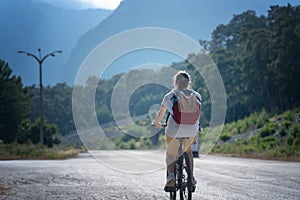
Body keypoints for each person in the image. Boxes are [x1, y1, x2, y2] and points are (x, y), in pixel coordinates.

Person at [154, 70, 201, 192]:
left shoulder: (169, 96)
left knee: (170, 153)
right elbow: (197, 114)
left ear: (175, 82)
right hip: (191, 131)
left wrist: (156, 123)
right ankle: (191, 178)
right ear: (188, 82)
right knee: (188, 151)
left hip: (174, 130)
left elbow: (161, 114)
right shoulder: (197, 96)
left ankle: (170, 178)